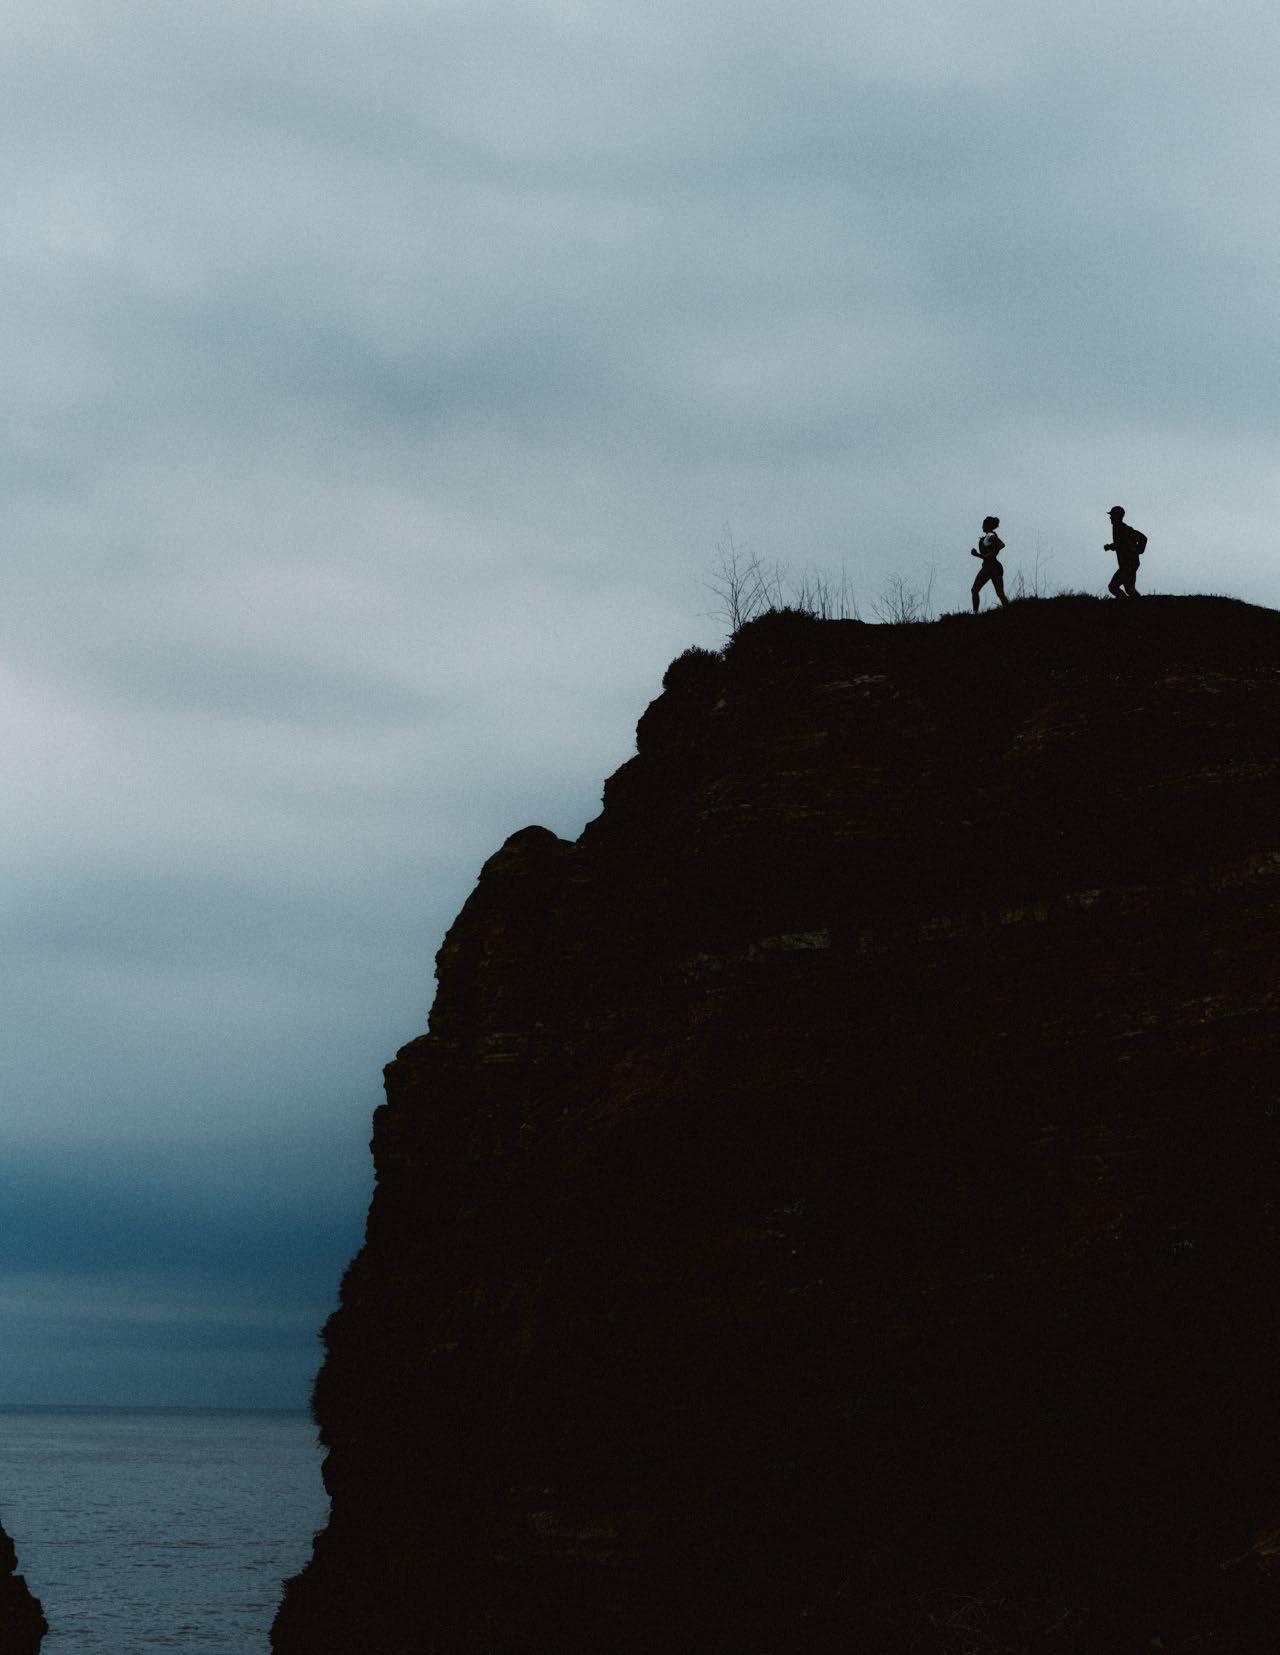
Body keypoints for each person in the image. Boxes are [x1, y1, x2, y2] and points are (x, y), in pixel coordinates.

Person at [1105, 506, 1147, 598]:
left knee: (1113, 587)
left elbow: (1143, 538)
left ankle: (1125, 603)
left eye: (1112, 515)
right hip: (1128, 564)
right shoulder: (1117, 528)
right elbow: (1120, 544)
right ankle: (1138, 604)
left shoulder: (1125, 529)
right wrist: (1110, 546)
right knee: (1129, 589)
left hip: (1129, 565)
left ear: (1118, 516)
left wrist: (1137, 550)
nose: (1110, 517)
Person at [970, 516, 1009, 611]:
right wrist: (978, 555)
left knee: (975, 590)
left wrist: (989, 554)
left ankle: (975, 613)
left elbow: (1001, 544)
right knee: (999, 593)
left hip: (991, 568)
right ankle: (1009, 609)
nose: (982, 526)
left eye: (983, 524)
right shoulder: (987, 537)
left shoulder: (990, 535)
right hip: (990, 567)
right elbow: (986, 557)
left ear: (987, 525)